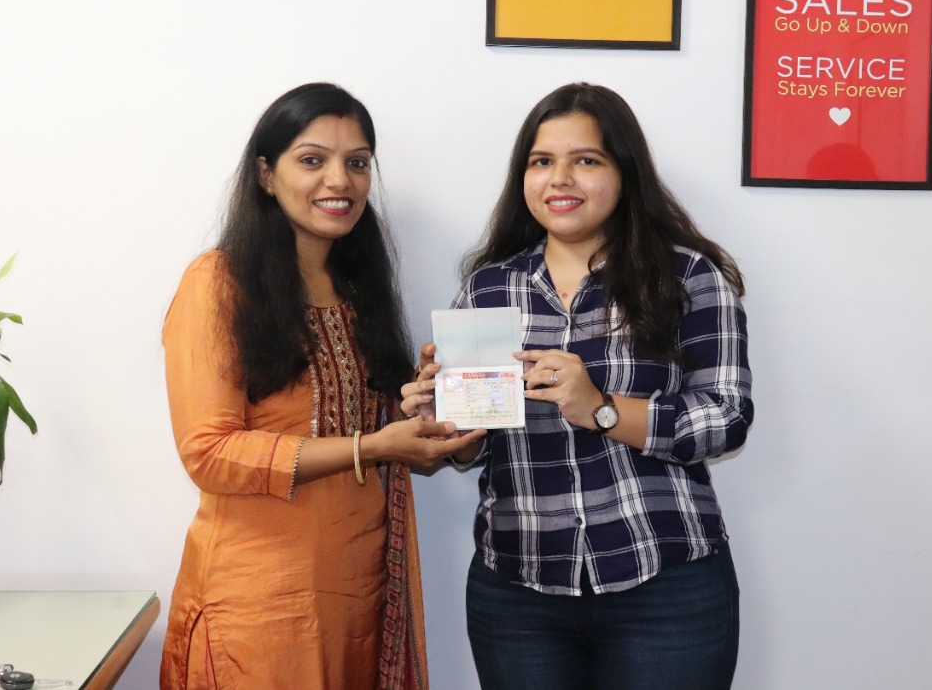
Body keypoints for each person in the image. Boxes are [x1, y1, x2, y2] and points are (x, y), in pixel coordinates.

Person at [402, 83, 753, 690]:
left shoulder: (687, 276)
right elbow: (471, 447)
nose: (559, 179)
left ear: (625, 173)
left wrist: (601, 409)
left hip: (665, 582)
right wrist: (442, 421)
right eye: (541, 161)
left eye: (586, 160)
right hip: (518, 590)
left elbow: (726, 419)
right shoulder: (489, 288)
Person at [160, 83, 484, 690]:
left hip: (360, 597)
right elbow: (209, 452)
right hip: (260, 605)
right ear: (266, 174)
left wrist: (420, 414)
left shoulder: (358, 289)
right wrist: (373, 447)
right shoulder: (218, 284)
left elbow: (369, 431)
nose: (340, 180)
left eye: (357, 163)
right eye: (313, 160)